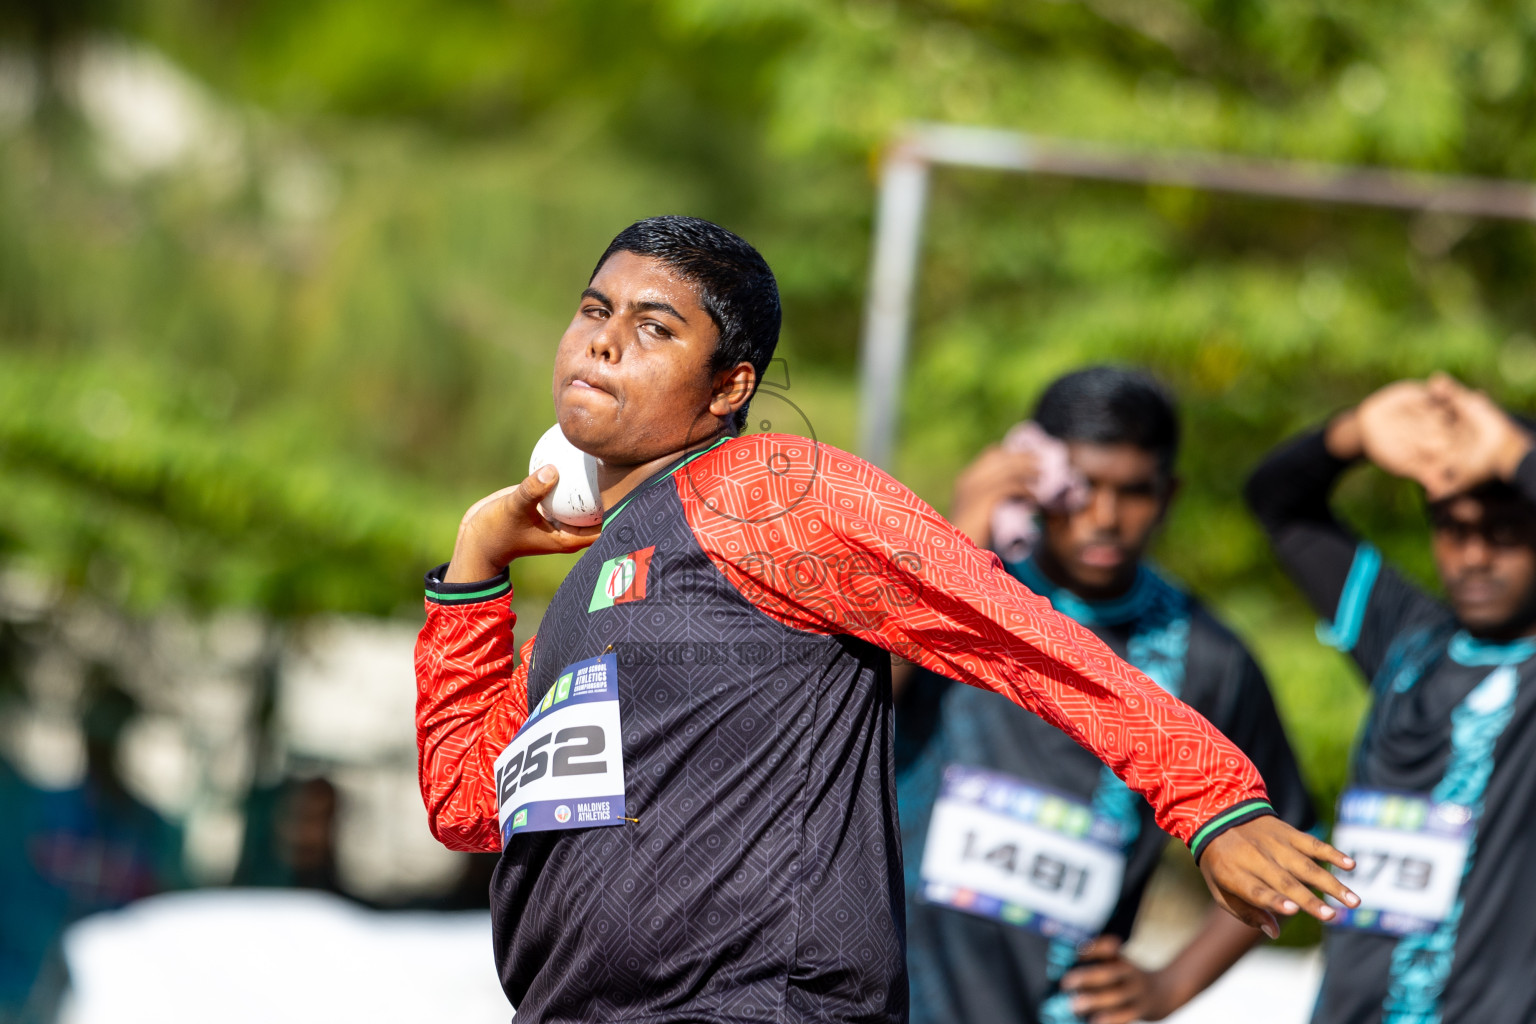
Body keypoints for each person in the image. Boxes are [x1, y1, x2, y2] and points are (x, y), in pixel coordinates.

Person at [414, 215, 1356, 1023]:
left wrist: (1210, 800)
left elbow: (1013, 632)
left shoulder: (768, 492)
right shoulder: (587, 594)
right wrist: (473, 569)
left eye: (654, 327)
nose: (605, 341)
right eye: (594, 311)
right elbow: (466, 802)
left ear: (729, 388)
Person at [895, 367, 1317, 1024]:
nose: (1106, 517)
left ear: (1169, 493)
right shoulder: (964, 599)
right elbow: (842, 705)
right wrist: (963, 528)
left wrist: (1170, 987)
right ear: (1037, 474)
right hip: (893, 994)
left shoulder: (1206, 656)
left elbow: (1290, 832)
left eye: (1135, 492)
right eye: (1085, 486)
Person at [1245, 374, 1536, 1024]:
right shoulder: (1407, 638)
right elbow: (1280, 503)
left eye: (1507, 532)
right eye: (1453, 528)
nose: (1475, 555)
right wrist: (1352, 435)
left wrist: (1514, 454)